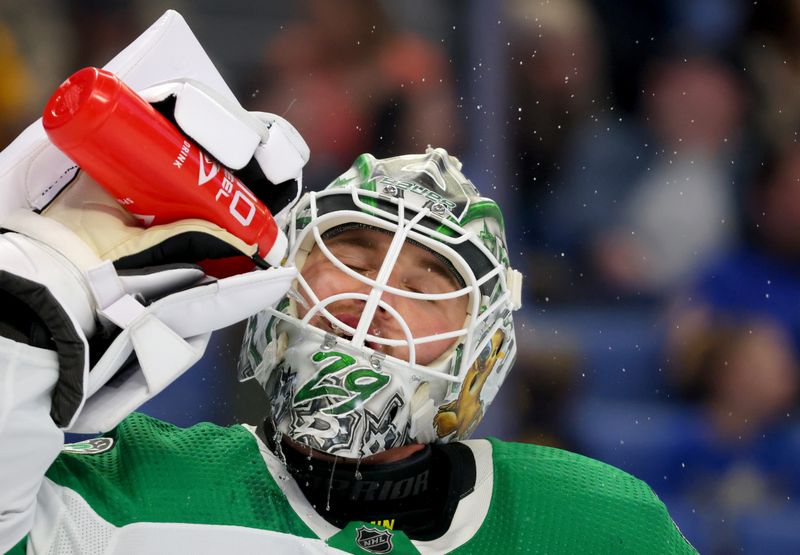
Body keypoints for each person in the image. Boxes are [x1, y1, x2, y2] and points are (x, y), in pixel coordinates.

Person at [0, 11, 695, 555]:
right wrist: (33, 306)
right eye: (354, 260)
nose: (374, 297)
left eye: (427, 284)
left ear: (478, 353)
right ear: (280, 285)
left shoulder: (594, 521)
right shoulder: (127, 483)